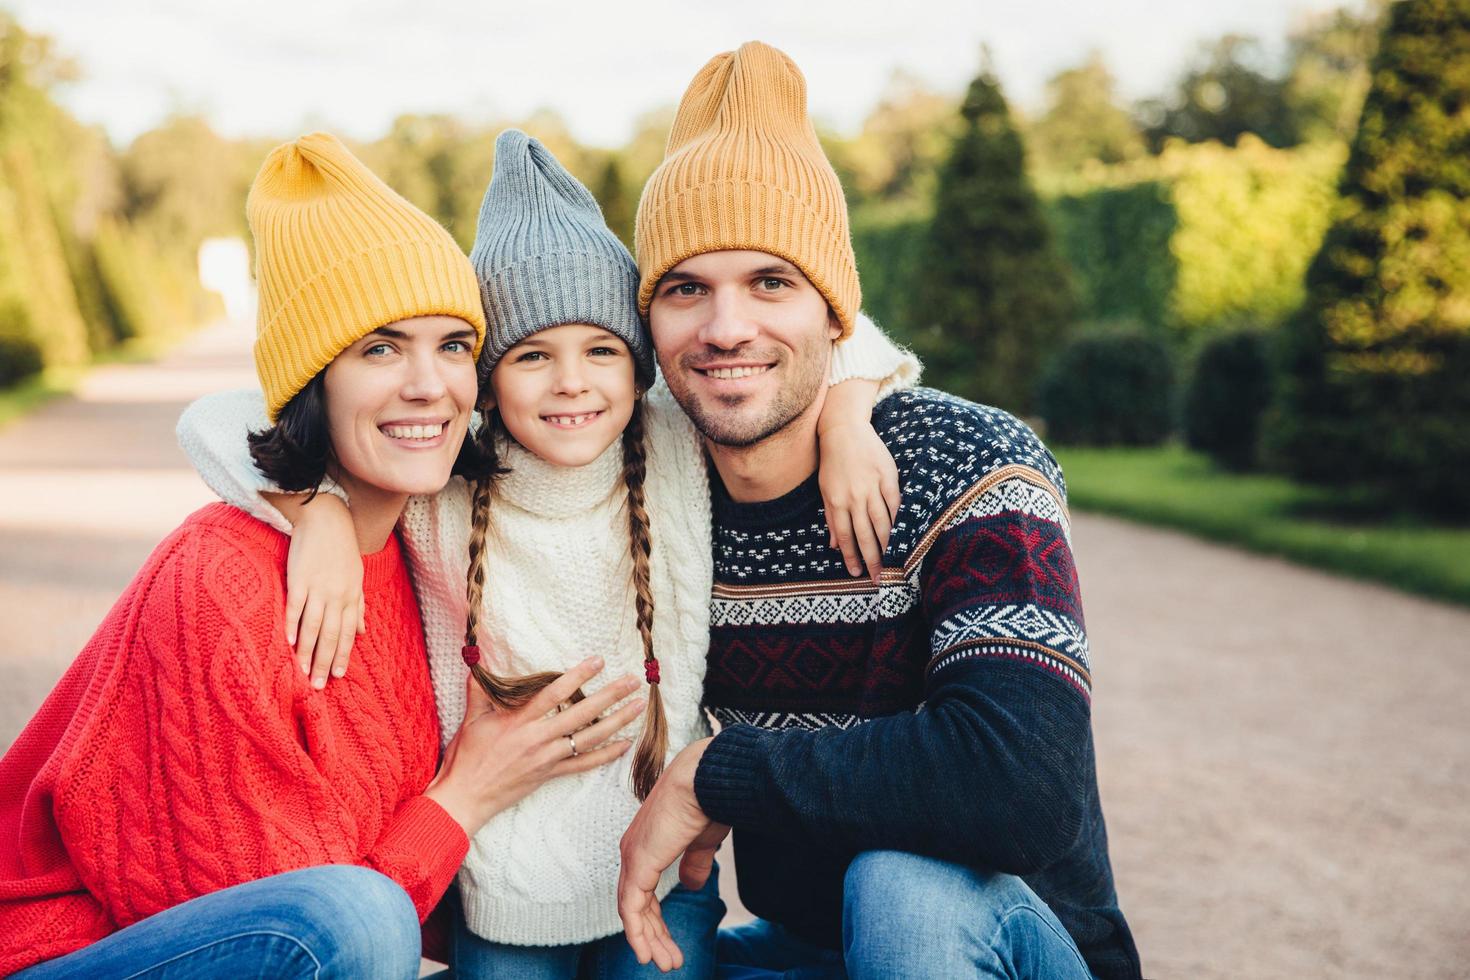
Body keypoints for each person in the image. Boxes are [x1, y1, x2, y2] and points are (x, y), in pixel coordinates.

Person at [175, 129, 917, 978]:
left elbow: (842, 331)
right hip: (502, 889)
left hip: (663, 872)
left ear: (637, 368)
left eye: (602, 351)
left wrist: (849, 416)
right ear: (487, 379)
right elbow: (215, 418)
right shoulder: (452, 471)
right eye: (532, 357)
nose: (571, 383)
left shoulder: (670, 442)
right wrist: (319, 514)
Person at [0, 133, 645, 979]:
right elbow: (294, 927)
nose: (429, 385)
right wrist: (466, 794)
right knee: (355, 912)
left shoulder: (420, 542)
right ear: (314, 379)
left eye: (453, 345)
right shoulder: (221, 582)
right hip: (78, 955)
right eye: (380, 348)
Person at [614, 42, 1143, 980]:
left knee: (903, 883)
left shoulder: (968, 462)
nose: (726, 327)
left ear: (835, 314)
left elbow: (1024, 786)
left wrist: (715, 769)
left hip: (995, 938)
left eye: (770, 282)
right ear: (649, 326)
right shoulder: (659, 489)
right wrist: (318, 508)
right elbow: (447, 429)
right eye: (687, 288)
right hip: (814, 948)